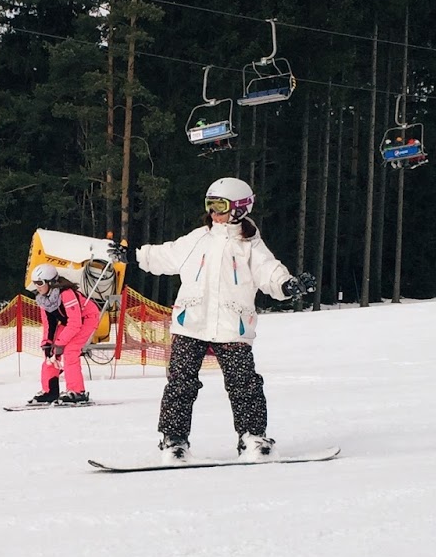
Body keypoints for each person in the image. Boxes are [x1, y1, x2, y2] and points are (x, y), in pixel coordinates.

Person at [112, 177, 315, 460]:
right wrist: (134, 255)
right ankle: (174, 440)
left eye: (220, 205)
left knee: (244, 383)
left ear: (240, 208)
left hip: (233, 325)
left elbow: (270, 273)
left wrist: (288, 285)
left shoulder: (251, 247)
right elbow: (165, 255)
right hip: (191, 322)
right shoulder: (198, 239)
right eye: (210, 205)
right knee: (180, 383)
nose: (214, 212)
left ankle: (253, 437)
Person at [28, 262, 101, 405]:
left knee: (70, 350)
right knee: (51, 353)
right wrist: (47, 344)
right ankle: (50, 391)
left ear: (50, 282)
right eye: (35, 283)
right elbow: (49, 324)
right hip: (70, 322)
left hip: (86, 318)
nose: (37, 286)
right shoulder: (43, 299)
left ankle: (77, 391)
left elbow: (75, 323)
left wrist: (60, 343)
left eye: (40, 282)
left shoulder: (66, 294)